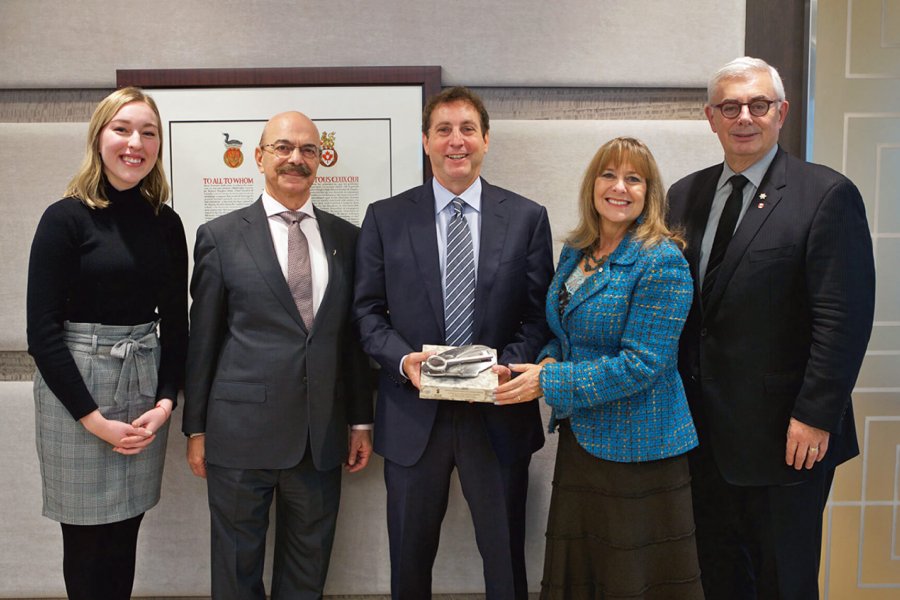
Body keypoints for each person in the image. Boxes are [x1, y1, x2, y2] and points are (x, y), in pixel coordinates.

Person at [666, 56, 876, 599]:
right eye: (730, 106)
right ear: (710, 117)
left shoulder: (825, 195)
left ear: (780, 113)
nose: (745, 117)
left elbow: (843, 319)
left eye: (758, 105)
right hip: (700, 435)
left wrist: (814, 414)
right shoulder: (683, 196)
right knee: (718, 578)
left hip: (787, 439)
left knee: (784, 581)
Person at [353, 86, 554, 599]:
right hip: (413, 416)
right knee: (409, 562)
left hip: (498, 414)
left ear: (486, 139)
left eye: (467, 129)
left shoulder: (527, 218)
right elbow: (367, 313)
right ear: (425, 141)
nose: (455, 141)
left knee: (506, 563)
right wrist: (403, 360)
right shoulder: (385, 217)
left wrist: (506, 367)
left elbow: (539, 316)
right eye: (443, 130)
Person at [495, 137, 704, 599]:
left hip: (642, 449)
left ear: (649, 192)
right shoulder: (578, 250)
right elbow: (564, 331)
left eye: (634, 178)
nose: (619, 187)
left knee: (632, 579)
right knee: (585, 573)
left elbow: (642, 364)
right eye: (609, 175)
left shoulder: (662, 261)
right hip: (583, 439)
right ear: (593, 185)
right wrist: (546, 356)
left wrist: (547, 380)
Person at [183, 110, 373, 600]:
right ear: (259, 157)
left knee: (308, 570)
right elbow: (202, 340)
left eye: (308, 150)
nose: (296, 159)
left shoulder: (347, 238)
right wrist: (196, 428)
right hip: (238, 437)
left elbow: (350, 340)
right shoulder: (220, 236)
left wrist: (360, 421)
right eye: (284, 147)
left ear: (321, 161)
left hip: (320, 435)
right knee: (236, 570)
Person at [26, 87, 188, 600]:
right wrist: (93, 420)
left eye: (148, 132)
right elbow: (42, 333)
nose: (134, 142)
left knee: (125, 535)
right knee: (87, 545)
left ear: (159, 145)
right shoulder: (65, 218)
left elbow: (176, 326)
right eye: (122, 129)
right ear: (99, 137)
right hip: (76, 392)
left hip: (142, 385)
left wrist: (165, 403)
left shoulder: (167, 222)